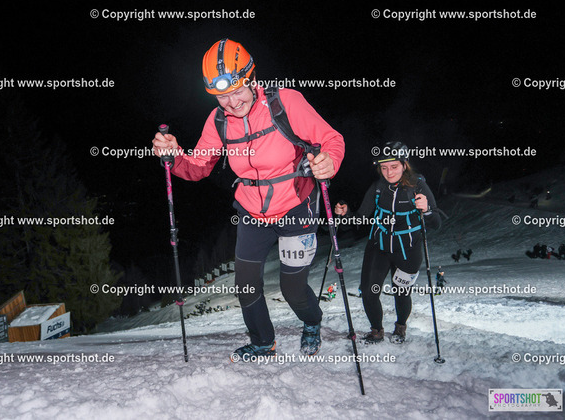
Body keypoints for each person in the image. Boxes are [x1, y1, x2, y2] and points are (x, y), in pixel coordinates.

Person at [152, 39, 345, 358]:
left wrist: (330, 161)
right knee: (245, 285)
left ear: (252, 78)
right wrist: (174, 156)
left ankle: (312, 321)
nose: (231, 102)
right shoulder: (218, 120)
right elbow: (198, 167)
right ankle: (263, 342)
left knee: (292, 288)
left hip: (296, 206)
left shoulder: (285, 102)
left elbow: (331, 139)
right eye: (221, 96)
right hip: (252, 212)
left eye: (237, 91)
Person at [334, 141, 441, 344]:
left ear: (404, 165)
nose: (388, 172)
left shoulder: (418, 186)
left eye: (393, 166)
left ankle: (400, 327)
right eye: (384, 168)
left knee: (401, 293)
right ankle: (376, 331)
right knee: (368, 292)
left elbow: (436, 223)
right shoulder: (378, 187)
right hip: (379, 246)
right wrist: (346, 213)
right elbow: (360, 218)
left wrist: (427, 209)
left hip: (408, 250)